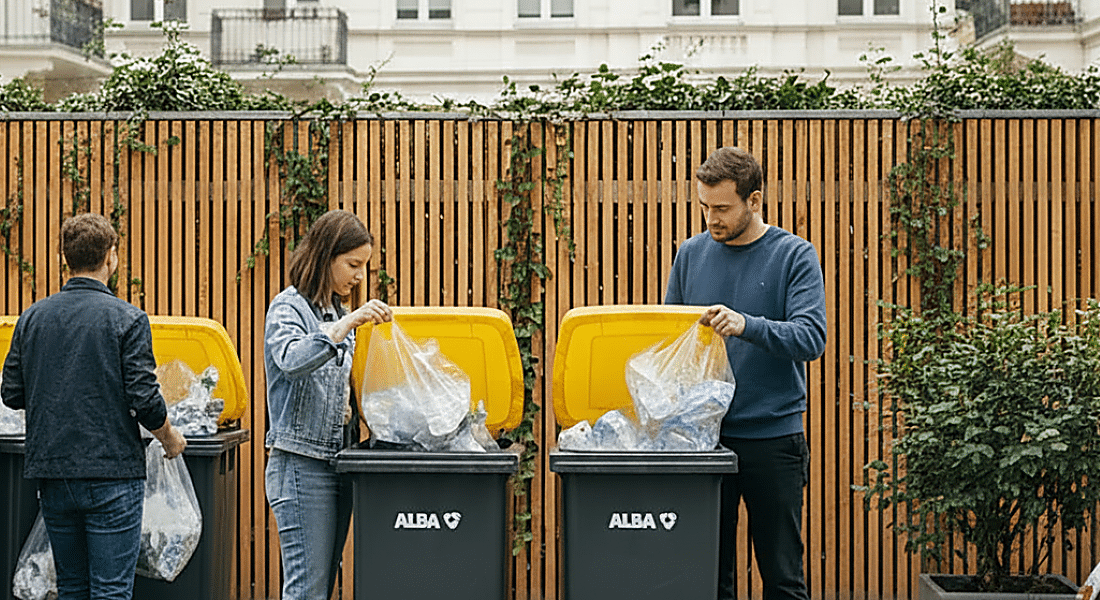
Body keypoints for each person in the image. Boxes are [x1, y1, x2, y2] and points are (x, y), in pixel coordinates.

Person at [664, 147, 827, 600]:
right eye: (704, 208)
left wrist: (746, 324)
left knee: (782, 578)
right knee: (708, 579)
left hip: (773, 440)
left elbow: (812, 337)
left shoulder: (794, 255)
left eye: (721, 209)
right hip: (703, 440)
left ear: (754, 201)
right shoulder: (691, 255)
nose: (710, 220)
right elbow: (672, 341)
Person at [1, 212, 188, 600]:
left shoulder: (32, 319)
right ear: (112, 257)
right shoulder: (128, 320)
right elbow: (144, 399)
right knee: (110, 591)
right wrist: (170, 438)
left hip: (53, 474)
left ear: (64, 258)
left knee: (71, 588)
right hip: (112, 474)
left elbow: (12, 394)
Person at [263, 209, 393, 600]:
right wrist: (344, 327)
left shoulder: (336, 310)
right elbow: (291, 360)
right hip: (301, 466)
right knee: (307, 590)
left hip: (338, 463)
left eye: (363, 266)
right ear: (325, 256)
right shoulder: (289, 308)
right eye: (352, 264)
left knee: (321, 586)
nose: (358, 276)